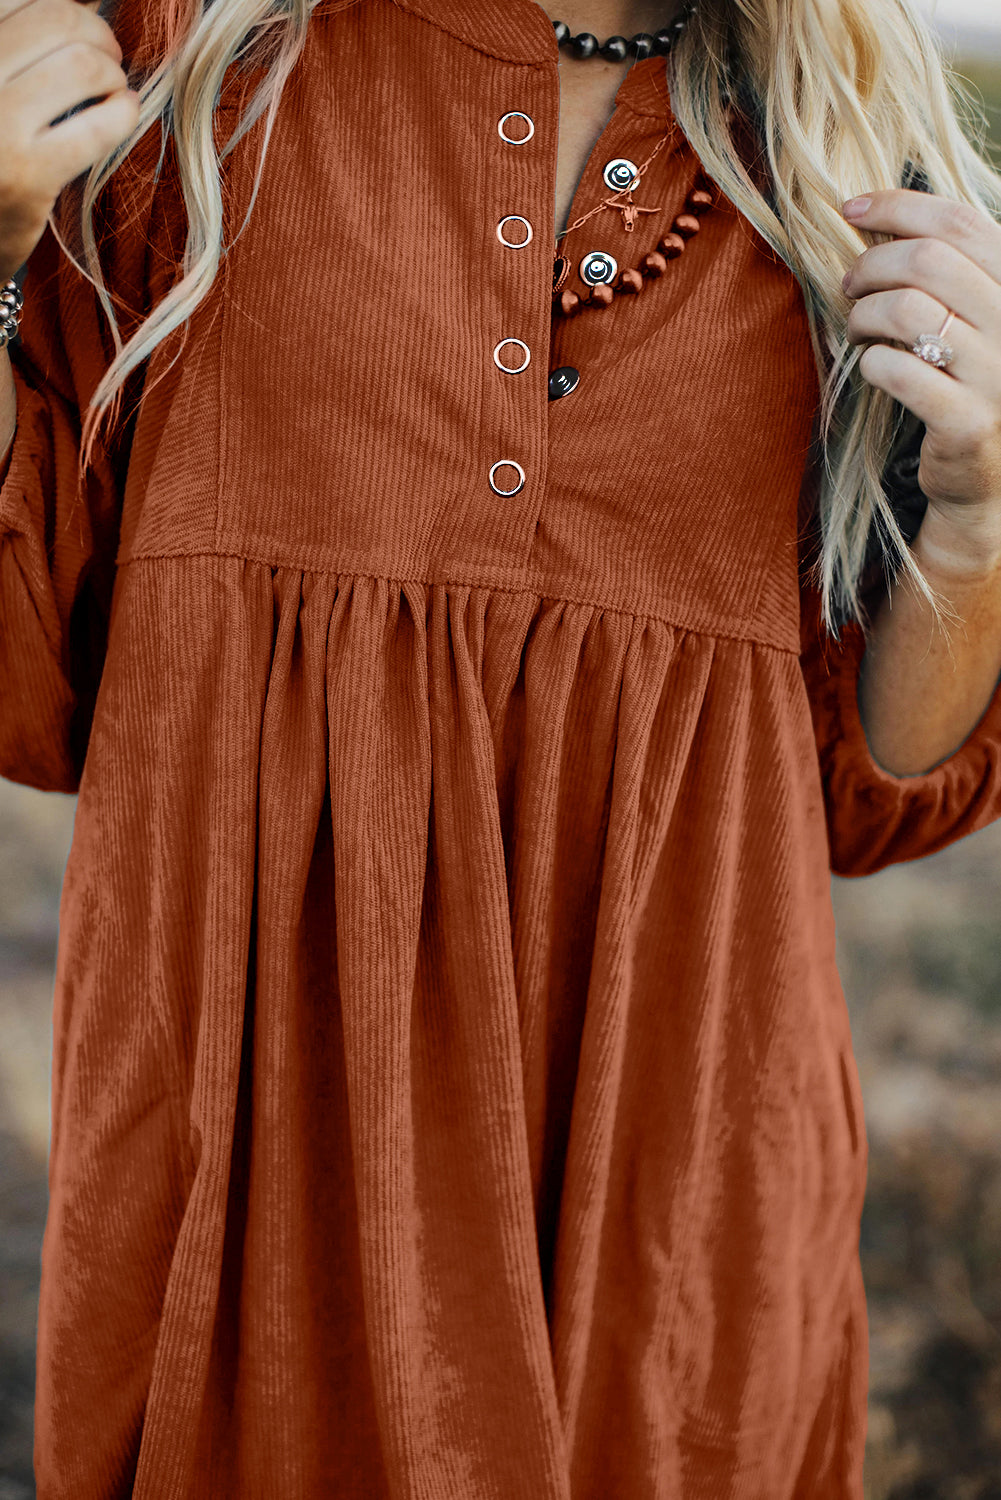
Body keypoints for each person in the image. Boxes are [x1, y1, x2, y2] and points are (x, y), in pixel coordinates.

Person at [1, 0, 1001, 1493]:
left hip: (672, 1249)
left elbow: (866, 797)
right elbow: (28, 678)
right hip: (263, 1243)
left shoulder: (842, 158)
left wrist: (979, 516)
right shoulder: (174, 73)